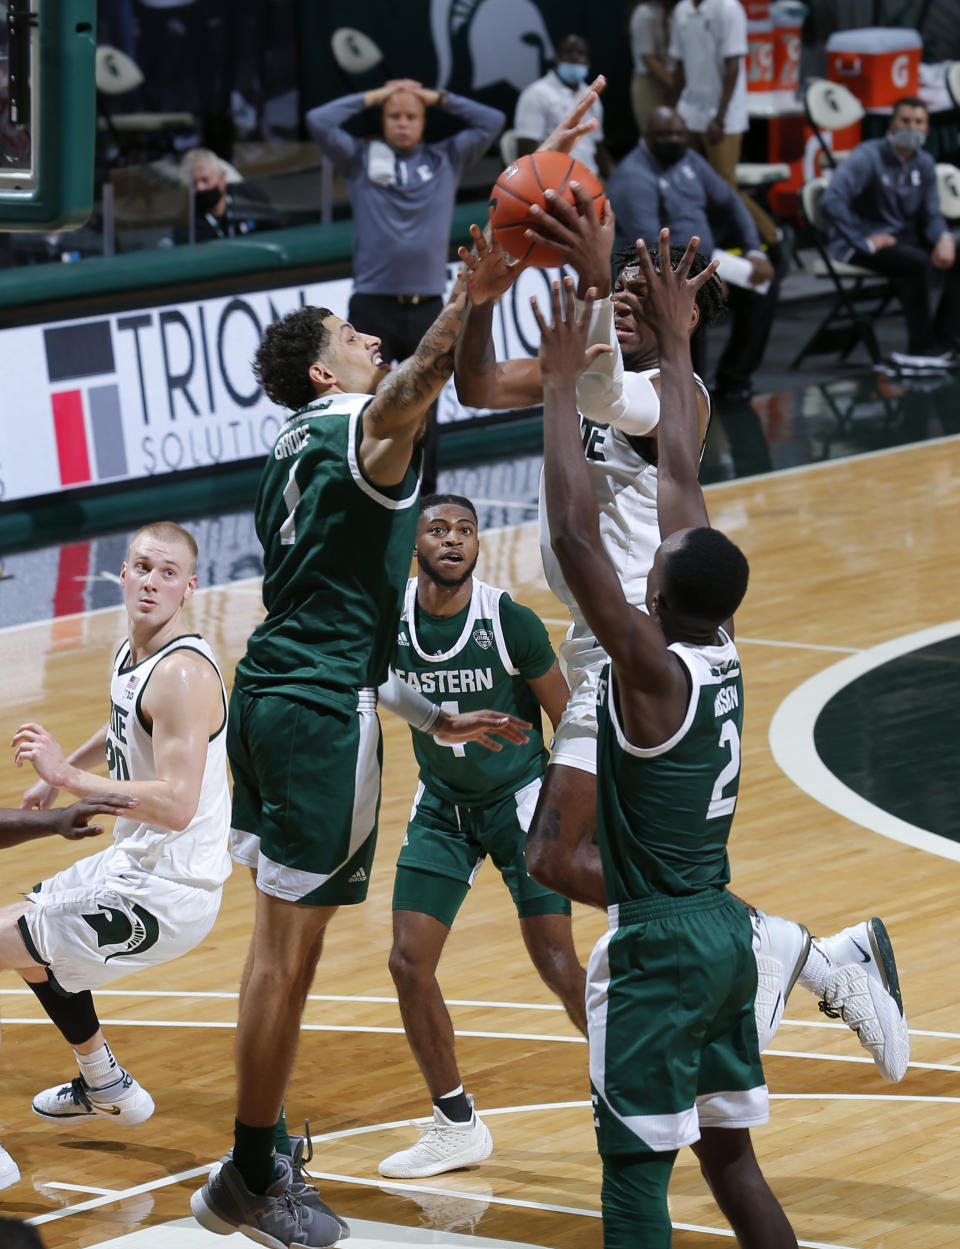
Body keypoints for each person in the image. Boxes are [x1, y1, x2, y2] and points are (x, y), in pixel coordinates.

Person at [452, 186, 909, 1087]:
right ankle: (813, 957)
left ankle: (768, 943)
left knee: (555, 853)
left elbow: (605, 392)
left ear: (675, 316)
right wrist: (478, 303)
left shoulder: (675, 393)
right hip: (610, 646)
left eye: (638, 295)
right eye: (614, 292)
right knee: (626, 860)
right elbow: (472, 385)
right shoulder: (592, 368)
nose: (622, 300)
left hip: (646, 651)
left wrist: (587, 277)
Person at [189, 271, 500, 1247]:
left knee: (270, 952)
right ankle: (250, 1172)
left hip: (269, 695)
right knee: (291, 961)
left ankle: (257, 1156)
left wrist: (424, 710)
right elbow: (415, 385)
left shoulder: (291, 444)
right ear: (327, 367)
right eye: (353, 333)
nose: (372, 337)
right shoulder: (361, 422)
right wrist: (467, 300)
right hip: (323, 712)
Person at [533, 233, 796, 1246]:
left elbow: (569, 533)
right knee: (734, 1164)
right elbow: (681, 469)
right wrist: (680, 339)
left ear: (654, 588)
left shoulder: (648, 675)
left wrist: (562, 384)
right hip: (725, 937)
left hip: (665, 943)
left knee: (635, 1181)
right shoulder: (718, 647)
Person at [4, 522, 230, 1170]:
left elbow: (179, 802)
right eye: (142, 567)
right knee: (28, 942)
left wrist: (70, 778)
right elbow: (123, 725)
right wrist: (62, 775)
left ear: (189, 587)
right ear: (122, 574)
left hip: (166, 891)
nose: (152, 580)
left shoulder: (183, 673)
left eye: (167, 572)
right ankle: (104, 1082)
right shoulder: (131, 650)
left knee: (12, 936)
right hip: (132, 864)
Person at [377, 493, 580, 1180]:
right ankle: (456, 1122)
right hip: (441, 805)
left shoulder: (507, 620)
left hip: (520, 798)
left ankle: (642, 1088)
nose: (454, 540)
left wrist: (568, 816)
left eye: (466, 530)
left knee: (556, 963)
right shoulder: (391, 617)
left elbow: (568, 720)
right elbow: (365, 678)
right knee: (408, 962)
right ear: (415, 543)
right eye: (439, 529)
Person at [306, 79, 505, 495]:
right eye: (393, 115)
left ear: (423, 121)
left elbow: (493, 120)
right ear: (382, 119)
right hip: (373, 304)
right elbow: (318, 120)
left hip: (427, 306)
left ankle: (424, 493)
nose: (401, 123)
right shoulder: (362, 159)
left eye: (411, 116)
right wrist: (374, 95)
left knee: (426, 402)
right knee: (363, 400)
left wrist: (438, 97)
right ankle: (364, 487)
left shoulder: (446, 157)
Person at [0, 792, 137, 1191]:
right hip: (150, 870)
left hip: (142, 881)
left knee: (24, 931)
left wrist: (65, 778)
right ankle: (104, 1079)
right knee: (22, 933)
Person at [606, 106, 779, 402]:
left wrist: (754, 250)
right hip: (656, 275)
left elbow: (730, 203)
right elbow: (648, 248)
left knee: (763, 285)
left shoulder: (690, 160)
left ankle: (734, 381)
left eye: (678, 134)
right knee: (691, 307)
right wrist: (704, 283)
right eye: (664, 134)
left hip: (703, 263)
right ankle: (688, 392)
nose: (673, 140)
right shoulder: (632, 177)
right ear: (646, 135)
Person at [820, 95, 960, 365]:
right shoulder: (868, 156)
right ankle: (921, 348)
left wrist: (943, 237)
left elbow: (931, 214)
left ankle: (947, 341)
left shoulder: (925, 162)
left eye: (919, 122)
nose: (913, 127)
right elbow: (831, 200)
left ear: (928, 129)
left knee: (957, 250)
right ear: (892, 125)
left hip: (897, 239)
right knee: (915, 262)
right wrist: (863, 239)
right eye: (905, 120)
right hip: (857, 244)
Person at [669, 0, 779, 246]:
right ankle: (698, 243)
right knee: (683, 181)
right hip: (689, 110)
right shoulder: (682, 10)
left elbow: (734, 64)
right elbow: (679, 65)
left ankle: (773, 236)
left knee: (723, 187)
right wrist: (672, 109)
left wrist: (720, 117)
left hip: (723, 115)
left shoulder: (729, 8)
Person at [514, 35, 613, 179]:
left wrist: (615, 180)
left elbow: (598, 147)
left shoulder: (592, 95)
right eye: (568, 52)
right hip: (554, 180)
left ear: (588, 60)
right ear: (556, 57)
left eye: (581, 53)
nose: (574, 57)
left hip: (591, 178)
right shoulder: (536, 93)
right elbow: (525, 151)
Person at [178, 147, 267, 242]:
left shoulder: (248, 198)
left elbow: (274, 226)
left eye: (205, 180)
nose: (200, 188)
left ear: (222, 178)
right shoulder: (188, 226)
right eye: (193, 184)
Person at [629, 2, 675, 131]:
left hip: (673, 79)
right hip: (649, 81)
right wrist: (673, 85)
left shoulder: (676, 12)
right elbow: (648, 58)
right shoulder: (644, 12)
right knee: (655, 133)